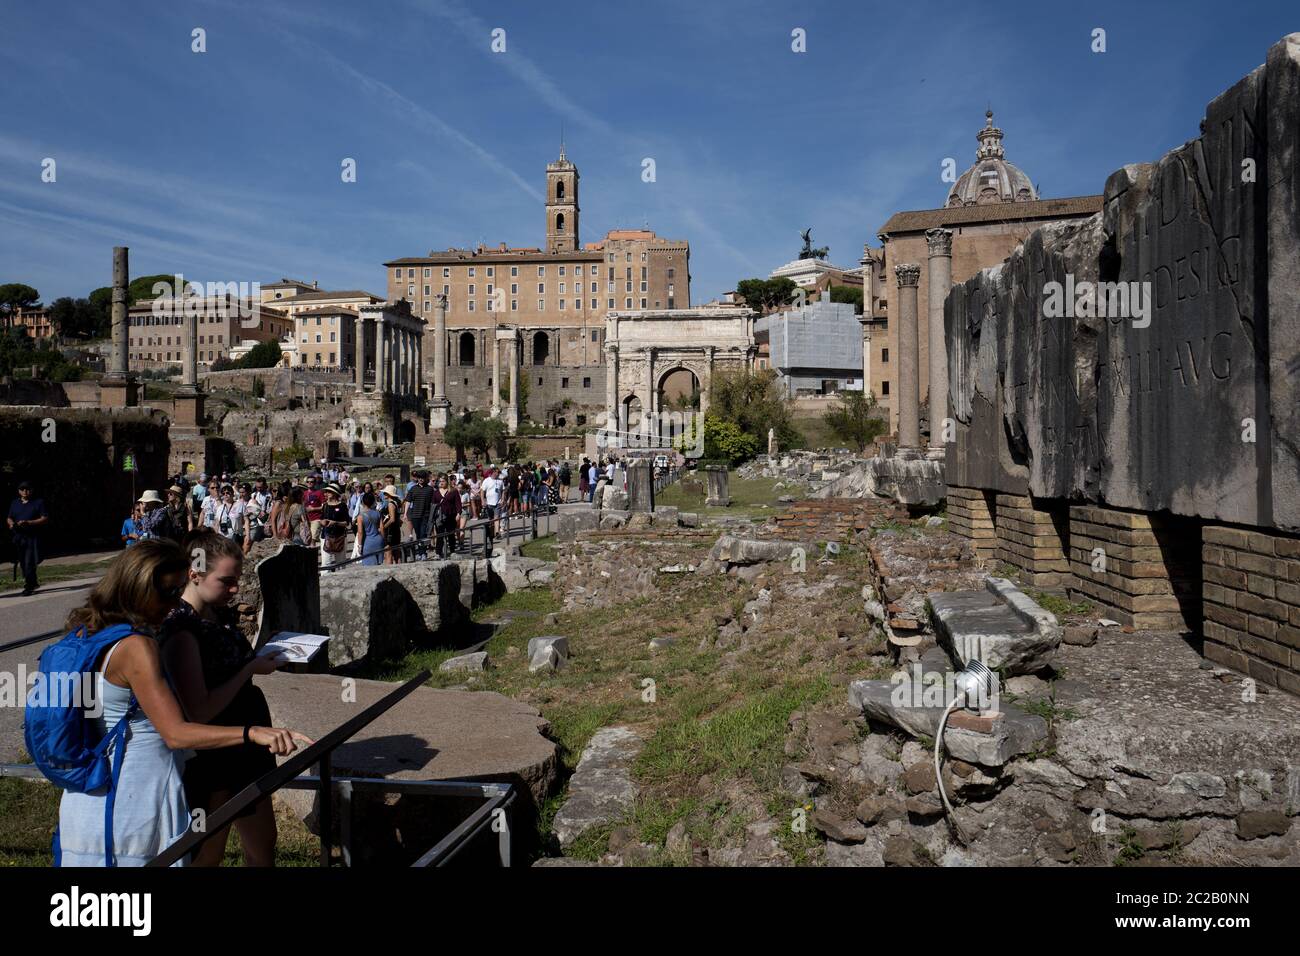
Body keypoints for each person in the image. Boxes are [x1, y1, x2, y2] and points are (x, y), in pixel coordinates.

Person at [55, 540, 309, 866]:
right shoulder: (137, 646)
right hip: (137, 791)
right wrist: (251, 733)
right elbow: (176, 732)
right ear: (140, 587)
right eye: (169, 592)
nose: (175, 603)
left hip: (93, 789)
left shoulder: (89, 632)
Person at [158, 531, 287, 866]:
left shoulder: (216, 615)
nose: (234, 589)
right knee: (208, 849)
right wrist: (248, 670)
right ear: (194, 574)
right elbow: (199, 709)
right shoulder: (182, 629)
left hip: (247, 743)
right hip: (215, 752)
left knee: (262, 842)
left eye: (237, 580)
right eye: (226, 581)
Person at [318, 484, 350, 567]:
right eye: (326, 491)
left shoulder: (342, 505)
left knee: (341, 563)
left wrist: (335, 522)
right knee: (326, 563)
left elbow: (346, 523)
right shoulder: (325, 505)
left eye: (329, 491)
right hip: (326, 536)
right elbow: (321, 519)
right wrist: (322, 522)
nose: (327, 493)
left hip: (339, 537)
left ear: (335, 493)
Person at [356, 492, 385, 566]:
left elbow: (360, 532)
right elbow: (382, 528)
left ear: (362, 502)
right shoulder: (378, 513)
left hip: (368, 542)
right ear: (373, 502)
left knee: (369, 567)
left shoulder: (360, 517)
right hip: (379, 540)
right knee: (379, 565)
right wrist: (383, 540)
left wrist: (359, 546)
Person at [380, 485, 402, 564]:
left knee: (388, 552)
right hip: (395, 530)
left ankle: (389, 572)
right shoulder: (396, 502)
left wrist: (383, 527)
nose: (384, 494)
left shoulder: (390, 504)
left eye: (385, 493)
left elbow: (392, 519)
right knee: (396, 553)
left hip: (390, 531)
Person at [302, 476, 325, 546]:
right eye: (308, 482)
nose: (309, 483)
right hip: (306, 519)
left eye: (311, 482)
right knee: (306, 538)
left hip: (316, 518)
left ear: (315, 483)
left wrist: (314, 509)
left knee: (313, 539)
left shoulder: (319, 493)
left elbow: (324, 506)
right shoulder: (304, 493)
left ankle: (312, 554)